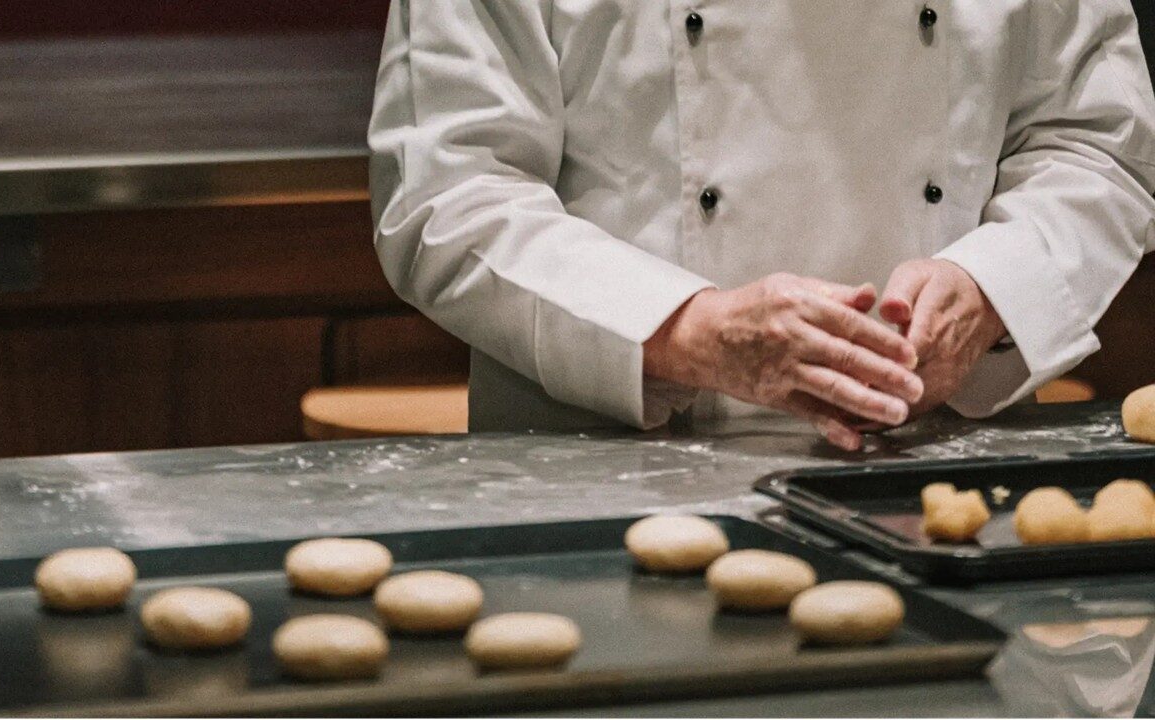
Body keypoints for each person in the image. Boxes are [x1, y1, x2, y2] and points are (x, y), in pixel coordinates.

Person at [368, 1, 1155, 449]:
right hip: (608, 480)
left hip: (936, 479)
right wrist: (688, 332)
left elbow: (1097, 140)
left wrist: (989, 293)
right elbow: (448, 189)